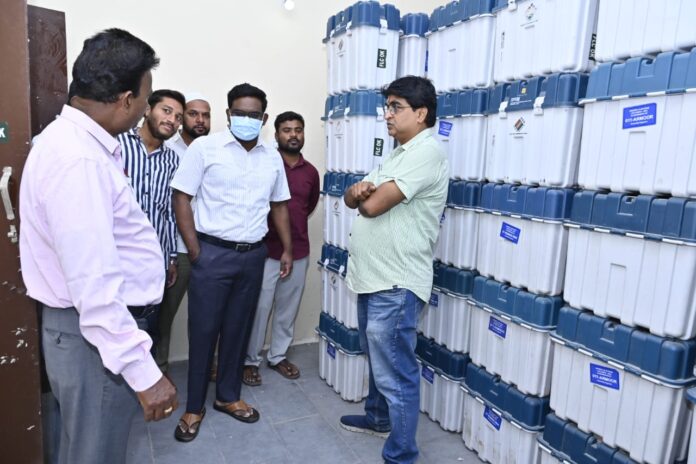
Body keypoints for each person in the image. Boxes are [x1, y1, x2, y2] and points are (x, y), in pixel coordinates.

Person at [18, 28, 178, 464]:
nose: (144, 109)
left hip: (87, 333)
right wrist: (143, 372)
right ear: (125, 100)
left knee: (81, 447)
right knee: (95, 453)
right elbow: (94, 283)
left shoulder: (72, 143)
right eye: (145, 99)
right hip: (94, 341)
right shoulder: (79, 161)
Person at [171, 83, 293, 442]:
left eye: (253, 115)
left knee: (239, 330)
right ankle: (194, 407)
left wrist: (286, 248)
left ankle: (227, 396)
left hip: (253, 256)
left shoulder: (271, 157)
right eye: (239, 113)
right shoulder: (205, 149)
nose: (246, 119)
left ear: (264, 119)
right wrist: (195, 251)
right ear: (228, 114)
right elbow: (181, 197)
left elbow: (279, 205)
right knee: (203, 332)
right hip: (212, 254)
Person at [339, 76, 449, 464]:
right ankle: (378, 417)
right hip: (374, 275)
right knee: (379, 357)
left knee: (396, 371)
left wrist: (363, 194)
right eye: (387, 106)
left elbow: (370, 205)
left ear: (421, 113)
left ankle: (402, 454)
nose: (387, 114)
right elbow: (352, 195)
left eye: (396, 107)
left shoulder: (427, 152)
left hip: (397, 281)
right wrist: (357, 192)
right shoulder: (398, 154)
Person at [243, 111, 320, 386]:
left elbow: (308, 206)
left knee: (288, 308)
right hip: (266, 251)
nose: (293, 135)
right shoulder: (265, 164)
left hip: (299, 250)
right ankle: (250, 360)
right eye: (287, 130)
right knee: (259, 309)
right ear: (276, 135)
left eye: (298, 130)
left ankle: (277, 356)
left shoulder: (311, 172)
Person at [118, 89, 185, 351]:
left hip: (154, 260)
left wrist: (171, 258)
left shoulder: (172, 160)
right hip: (117, 257)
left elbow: (169, 211)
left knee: (148, 333)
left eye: (178, 117)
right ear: (147, 109)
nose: (172, 120)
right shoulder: (117, 144)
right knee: (116, 331)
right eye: (166, 111)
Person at [157, 93, 212, 372]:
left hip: (210, 245)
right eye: (192, 114)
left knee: (207, 314)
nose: (200, 120)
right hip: (177, 249)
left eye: (205, 115)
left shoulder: (215, 150)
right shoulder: (167, 150)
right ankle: (159, 369)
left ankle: (205, 365)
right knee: (163, 315)